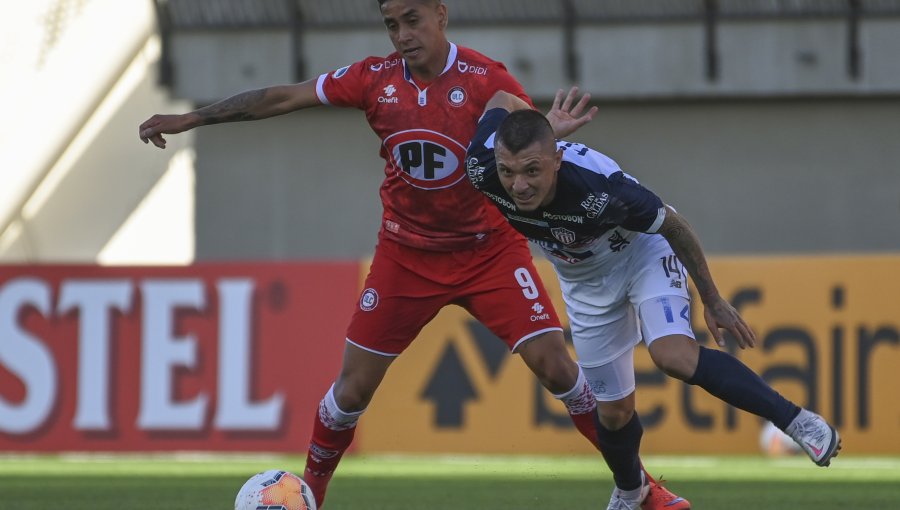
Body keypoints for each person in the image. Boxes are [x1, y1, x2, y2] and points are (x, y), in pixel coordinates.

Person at [138, 1, 687, 509]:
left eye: (411, 19)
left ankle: (641, 490)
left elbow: (529, 136)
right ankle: (308, 496)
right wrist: (193, 119)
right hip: (407, 256)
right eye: (391, 25)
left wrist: (551, 130)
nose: (402, 35)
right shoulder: (372, 80)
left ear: (440, 15)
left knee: (558, 370)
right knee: (351, 390)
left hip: (489, 252)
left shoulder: (485, 80)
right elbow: (283, 97)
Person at [464, 89, 843, 509]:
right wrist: (544, 126)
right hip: (582, 280)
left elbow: (674, 227)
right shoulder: (480, 167)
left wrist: (712, 299)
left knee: (672, 355)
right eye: (509, 171)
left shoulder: (602, 188)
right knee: (612, 413)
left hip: (640, 254)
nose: (518, 186)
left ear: (556, 161)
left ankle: (799, 421)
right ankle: (632, 491)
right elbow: (499, 96)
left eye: (532, 170)